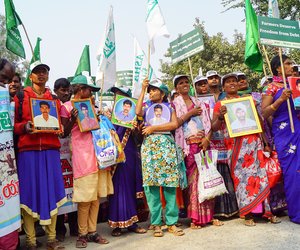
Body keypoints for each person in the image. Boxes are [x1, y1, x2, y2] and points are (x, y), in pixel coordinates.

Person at [212, 73, 280, 226]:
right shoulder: (220, 104)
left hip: (254, 143)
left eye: (234, 81)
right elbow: (214, 126)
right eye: (228, 82)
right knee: (242, 179)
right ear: (223, 87)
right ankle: (248, 214)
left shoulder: (250, 101)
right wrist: (221, 117)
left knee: (261, 176)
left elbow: (259, 123)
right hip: (235, 147)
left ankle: (266, 212)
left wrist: (265, 142)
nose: (232, 84)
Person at [14, 61, 66, 249]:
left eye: (44, 71)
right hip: (28, 151)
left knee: (51, 192)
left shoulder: (53, 99)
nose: (41, 75)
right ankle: (31, 241)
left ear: (48, 76)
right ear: (31, 76)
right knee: (29, 193)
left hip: (50, 150)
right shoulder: (20, 97)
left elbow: (62, 125)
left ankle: (51, 239)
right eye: (37, 72)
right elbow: (13, 125)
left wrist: (59, 128)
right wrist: (24, 127)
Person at [61, 75, 112, 248]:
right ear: (81, 89)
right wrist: (73, 119)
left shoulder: (92, 107)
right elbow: (63, 132)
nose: (91, 93)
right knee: (84, 199)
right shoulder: (67, 107)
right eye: (89, 90)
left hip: (98, 154)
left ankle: (93, 231)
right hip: (81, 156)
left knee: (96, 197)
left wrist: (100, 117)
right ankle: (82, 234)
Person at [172, 74, 223, 229]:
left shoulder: (199, 102)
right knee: (193, 183)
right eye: (181, 83)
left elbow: (208, 124)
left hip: (203, 145)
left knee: (206, 179)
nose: (185, 85)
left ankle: (209, 216)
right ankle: (195, 218)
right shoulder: (174, 105)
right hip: (188, 148)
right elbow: (176, 124)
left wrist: (207, 139)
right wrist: (190, 113)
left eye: (187, 82)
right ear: (176, 88)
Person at [136, 79, 184, 237]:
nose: (151, 92)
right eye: (150, 90)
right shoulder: (145, 107)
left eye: (154, 90)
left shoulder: (170, 107)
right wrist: (142, 90)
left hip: (166, 147)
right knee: (152, 186)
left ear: (162, 93)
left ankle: (171, 222)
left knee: (170, 185)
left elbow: (174, 124)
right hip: (150, 148)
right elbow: (136, 113)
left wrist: (154, 128)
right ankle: (156, 223)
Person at [194, 74, 239, 219]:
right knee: (212, 172)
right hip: (207, 139)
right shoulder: (196, 102)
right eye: (200, 84)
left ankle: (232, 208)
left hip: (224, 139)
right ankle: (213, 212)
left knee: (227, 172)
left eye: (204, 83)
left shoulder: (223, 98)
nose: (204, 86)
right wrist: (207, 137)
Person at [261, 54, 300, 224]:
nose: (292, 66)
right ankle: (297, 213)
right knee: (293, 172)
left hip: (298, 127)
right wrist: (281, 100)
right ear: (278, 68)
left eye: (291, 63)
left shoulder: (296, 84)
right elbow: (264, 113)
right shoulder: (271, 88)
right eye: (288, 63)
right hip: (285, 132)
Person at [107, 86, 146, 237]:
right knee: (116, 189)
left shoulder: (133, 116)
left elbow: (139, 137)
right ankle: (116, 223)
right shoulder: (109, 114)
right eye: (116, 94)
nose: (118, 96)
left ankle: (132, 223)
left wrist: (136, 128)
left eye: (121, 94)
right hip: (114, 154)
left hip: (128, 153)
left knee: (129, 187)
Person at [53, 78, 78, 242]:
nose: (66, 92)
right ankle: (60, 229)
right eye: (62, 90)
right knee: (60, 190)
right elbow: (62, 132)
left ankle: (75, 227)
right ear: (56, 90)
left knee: (74, 190)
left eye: (68, 89)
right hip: (56, 152)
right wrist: (72, 120)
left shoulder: (73, 106)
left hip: (72, 152)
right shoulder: (50, 105)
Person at [0, 58, 20, 250]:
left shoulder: (9, 101)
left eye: (8, 81)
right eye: (4, 79)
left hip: (7, 172)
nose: (6, 85)